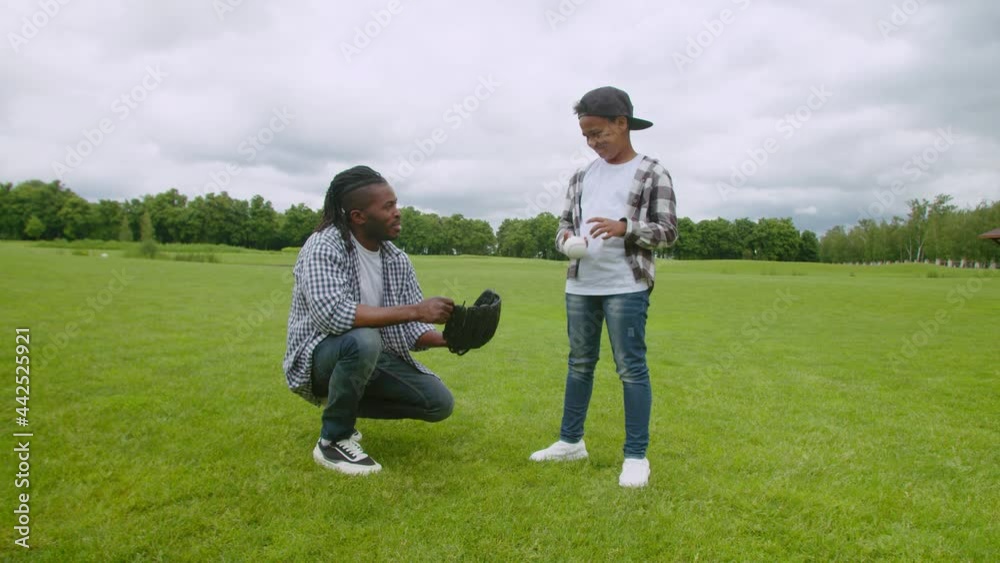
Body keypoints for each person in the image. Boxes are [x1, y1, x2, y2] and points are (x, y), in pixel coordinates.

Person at [529, 86, 678, 488]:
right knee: (579, 364)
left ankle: (635, 457)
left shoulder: (652, 171)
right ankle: (571, 442)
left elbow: (667, 232)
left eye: (599, 133)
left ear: (622, 123)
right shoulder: (582, 175)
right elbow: (563, 224)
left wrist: (625, 228)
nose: (594, 143)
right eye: (587, 137)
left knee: (630, 369)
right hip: (581, 286)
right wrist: (565, 242)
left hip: (626, 285)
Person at [283, 165, 455, 476]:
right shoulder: (324, 245)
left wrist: (450, 339)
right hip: (317, 360)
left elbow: (409, 329)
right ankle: (333, 439)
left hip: (367, 357)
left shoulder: (396, 259)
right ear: (358, 216)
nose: (398, 213)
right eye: (388, 206)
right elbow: (334, 315)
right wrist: (417, 309)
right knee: (363, 337)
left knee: (438, 402)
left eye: (396, 204)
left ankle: (342, 405)